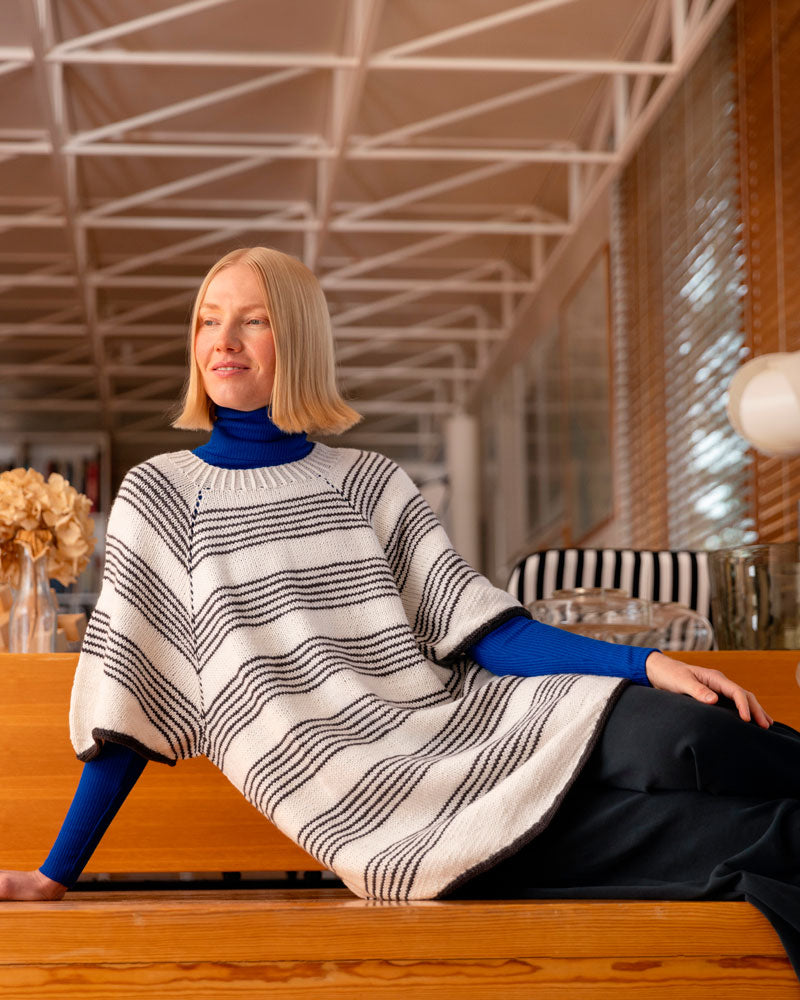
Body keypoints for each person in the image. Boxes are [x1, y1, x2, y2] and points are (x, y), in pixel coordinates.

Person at [1, 247, 799, 974]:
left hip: (489, 720)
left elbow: (486, 629)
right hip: (403, 822)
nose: (223, 339)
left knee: (696, 731)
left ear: (300, 340)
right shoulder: (164, 497)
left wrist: (647, 661)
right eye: (209, 320)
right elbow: (126, 703)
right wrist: (54, 874)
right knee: (767, 839)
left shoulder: (368, 481)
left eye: (254, 319)